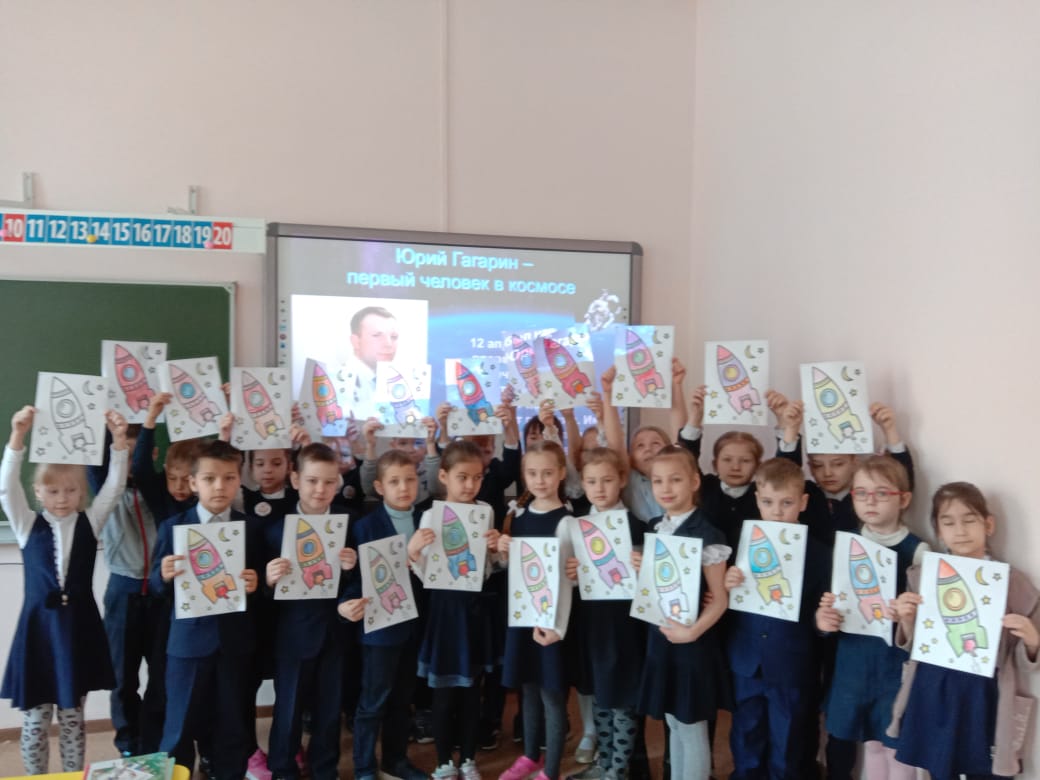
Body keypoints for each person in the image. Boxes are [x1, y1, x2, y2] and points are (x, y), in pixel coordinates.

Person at [0, 405, 129, 774]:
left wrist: (119, 441)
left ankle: (72, 774)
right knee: (35, 720)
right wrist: (17, 436)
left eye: (71, 490)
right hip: (38, 634)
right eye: (53, 490)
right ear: (38, 492)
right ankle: (36, 776)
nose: (62, 497)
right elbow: (6, 489)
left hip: (77, 631)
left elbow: (115, 486)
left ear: (81, 492)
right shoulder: (27, 525)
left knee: (73, 718)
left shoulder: (91, 521)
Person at [888, 482, 1040, 779]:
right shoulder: (923, 578)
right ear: (938, 530)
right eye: (948, 522)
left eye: (969, 520)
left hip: (984, 694)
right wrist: (906, 619)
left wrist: (1032, 640)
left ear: (988, 525)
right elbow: (916, 643)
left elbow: (1026, 661)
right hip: (934, 687)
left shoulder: (1014, 584)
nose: (960, 530)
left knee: (984, 768)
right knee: (938, 764)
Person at [150, 439, 264, 780]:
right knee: (179, 727)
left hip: (234, 645)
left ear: (239, 480)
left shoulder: (251, 529)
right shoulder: (173, 527)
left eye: (229, 478)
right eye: (210, 478)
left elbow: (264, 588)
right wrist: (163, 576)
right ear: (193, 482)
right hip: (188, 645)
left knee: (232, 726)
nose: (219, 486)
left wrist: (257, 584)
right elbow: (155, 588)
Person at [815, 456, 927, 780]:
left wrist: (907, 616)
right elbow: (830, 604)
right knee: (868, 743)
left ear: (903, 499)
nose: (870, 501)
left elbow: (928, 623)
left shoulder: (918, 551)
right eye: (861, 493)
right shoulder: (845, 545)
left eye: (881, 493)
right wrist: (823, 620)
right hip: (852, 662)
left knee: (895, 744)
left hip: (894, 664)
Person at [723, 457, 829, 779]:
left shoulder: (819, 553)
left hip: (792, 662)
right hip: (747, 659)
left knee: (789, 739)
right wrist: (728, 583)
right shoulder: (740, 542)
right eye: (768, 502)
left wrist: (822, 622)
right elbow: (723, 601)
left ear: (803, 502)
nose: (777, 511)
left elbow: (821, 612)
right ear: (757, 500)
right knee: (746, 733)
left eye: (787, 503)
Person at [634, 445, 730, 780]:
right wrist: (641, 570)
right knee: (673, 722)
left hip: (693, 646)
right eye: (658, 480)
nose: (666, 488)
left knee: (691, 727)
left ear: (694, 482)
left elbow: (720, 599)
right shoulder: (655, 527)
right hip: (661, 641)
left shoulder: (708, 535)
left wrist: (692, 632)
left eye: (675, 479)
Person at [264, 443, 356, 780]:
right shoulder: (276, 529)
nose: (321, 489)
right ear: (295, 480)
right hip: (293, 634)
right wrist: (269, 580)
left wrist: (352, 569)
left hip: (335, 632)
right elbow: (260, 593)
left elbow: (362, 583)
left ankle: (324, 769)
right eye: (313, 481)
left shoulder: (350, 523)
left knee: (329, 709)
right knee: (288, 708)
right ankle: (282, 769)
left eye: (329, 482)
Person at [411, 440, 501, 780]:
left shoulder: (485, 511)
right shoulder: (430, 515)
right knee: (444, 692)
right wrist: (414, 552)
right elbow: (424, 573)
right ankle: (442, 762)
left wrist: (495, 549)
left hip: (474, 611)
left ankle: (468, 758)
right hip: (444, 611)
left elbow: (489, 568)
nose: (470, 485)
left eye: (477, 478)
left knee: (471, 691)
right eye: (462, 477)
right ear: (444, 476)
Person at [340, 448, 431, 780]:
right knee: (373, 701)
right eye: (394, 481)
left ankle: (396, 760)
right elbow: (360, 579)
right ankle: (365, 767)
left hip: (415, 624)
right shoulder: (365, 527)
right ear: (379, 487)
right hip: (379, 628)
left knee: (402, 699)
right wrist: (408, 554)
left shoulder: (427, 521)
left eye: (410, 479)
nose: (404, 487)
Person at [564, 447, 646, 780]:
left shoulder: (637, 527)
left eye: (607, 480)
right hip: (591, 624)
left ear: (622, 480)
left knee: (622, 698)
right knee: (598, 694)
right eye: (592, 481)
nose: (599, 488)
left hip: (624, 627)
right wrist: (572, 573)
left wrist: (644, 567)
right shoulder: (579, 526)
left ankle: (618, 770)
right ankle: (605, 762)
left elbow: (651, 584)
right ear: (582, 483)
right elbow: (573, 577)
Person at [497, 441, 576, 780]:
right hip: (522, 619)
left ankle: (551, 770)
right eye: (532, 473)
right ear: (524, 475)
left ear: (561, 474)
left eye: (547, 473)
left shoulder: (567, 522)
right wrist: (502, 551)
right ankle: (531, 756)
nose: (540, 480)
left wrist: (558, 628)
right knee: (527, 690)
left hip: (550, 624)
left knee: (552, 697)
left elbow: (568, 582)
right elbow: (512, 570)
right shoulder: (517, 517)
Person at [89, 424, 166, 757]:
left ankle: (154, 742)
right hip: (123, 592)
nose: (130, 463)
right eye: (124, 455)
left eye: (137, 455)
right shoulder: (108, 492)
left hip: (161, 594)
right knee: (123, 677)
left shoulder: (162, 490)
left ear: (152, 454)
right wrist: (107, 427)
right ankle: (128, 744)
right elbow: (96, 465)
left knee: (162, 675)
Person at [677, 386, 801, 554]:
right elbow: (684, 461)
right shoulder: (703, 487)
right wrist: (695, 418)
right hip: (708, 568)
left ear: (757, 466)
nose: (735, 467)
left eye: (745, 461)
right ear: (715, 464)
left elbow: (786, 471)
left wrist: (785, 424)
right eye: (727, 460)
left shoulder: (764, 495)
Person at [346, 306, 400, 419]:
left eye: (394, 337)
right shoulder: (336, 385)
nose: (389, 344)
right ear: (355, 341)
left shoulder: (398, 383)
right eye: (377, 336)